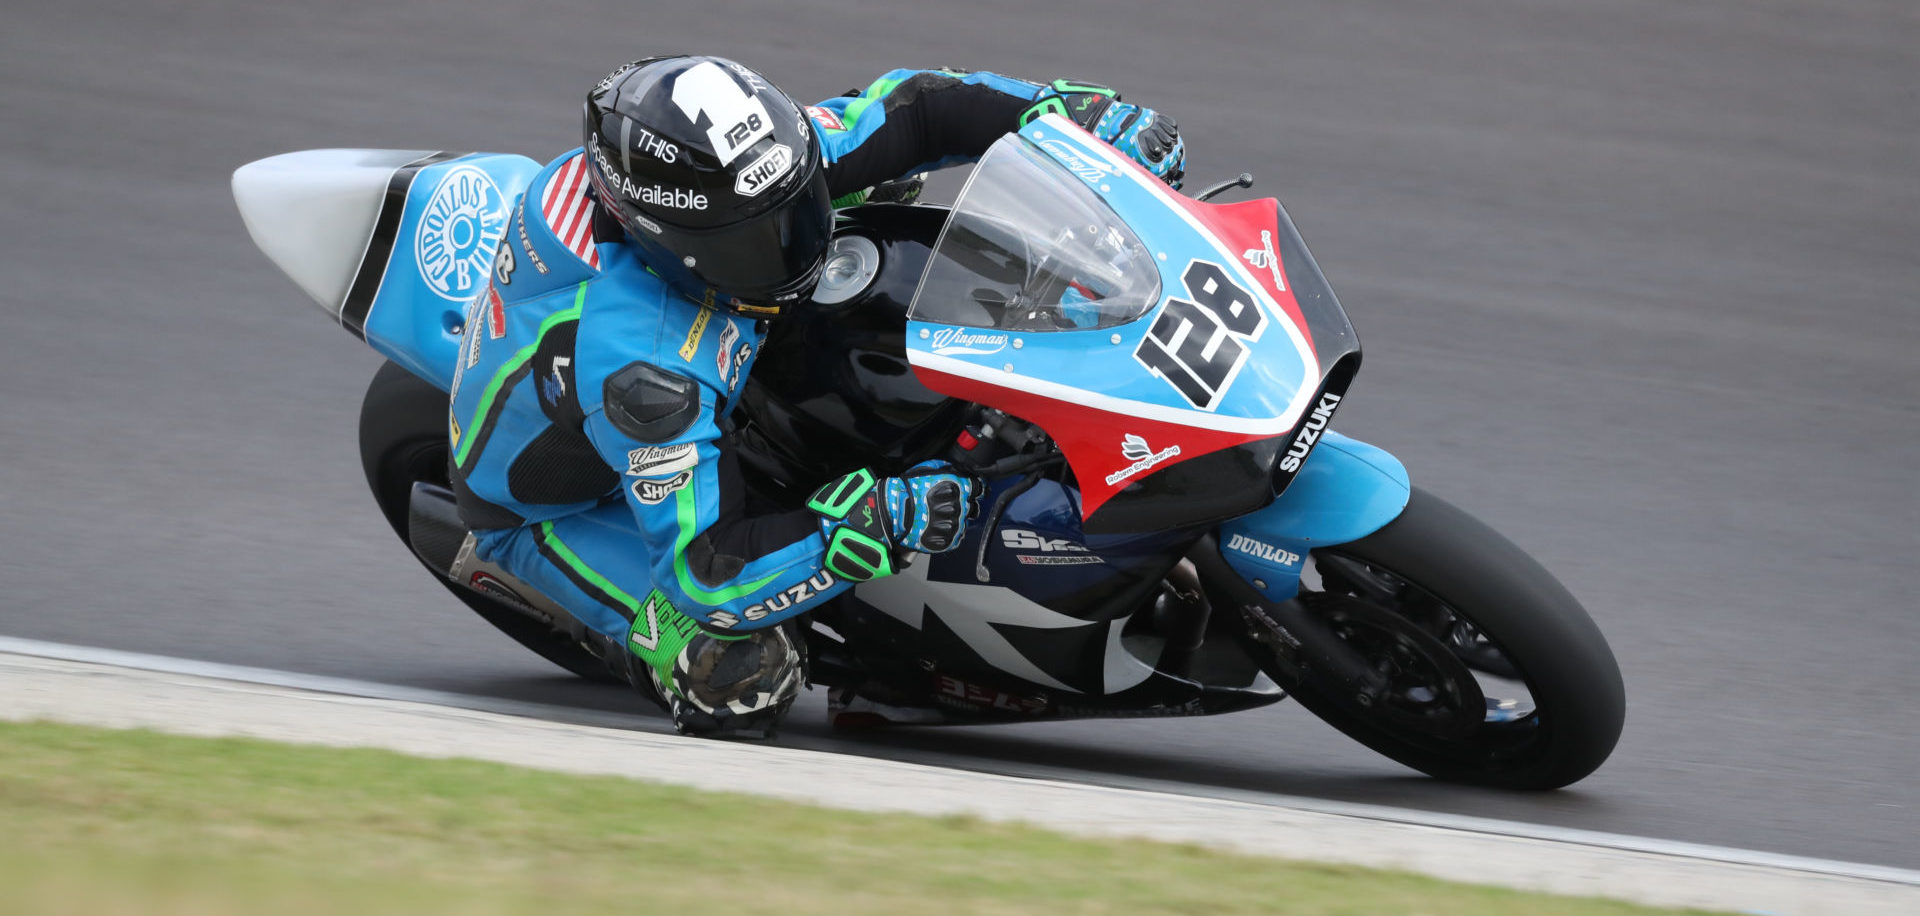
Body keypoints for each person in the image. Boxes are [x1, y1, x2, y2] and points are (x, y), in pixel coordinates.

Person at [446, 56, 1185, 737]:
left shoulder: (751, 167)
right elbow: (709, 570)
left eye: (796, 208)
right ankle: (614, 628)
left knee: (880, 197)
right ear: (666, 241)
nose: (795, 247)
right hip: (565, 506)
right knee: (737, 675)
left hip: (694, 358)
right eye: (754, 240)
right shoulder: (645, 370)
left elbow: (917, 111)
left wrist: (1064, 112)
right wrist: (869, 526)